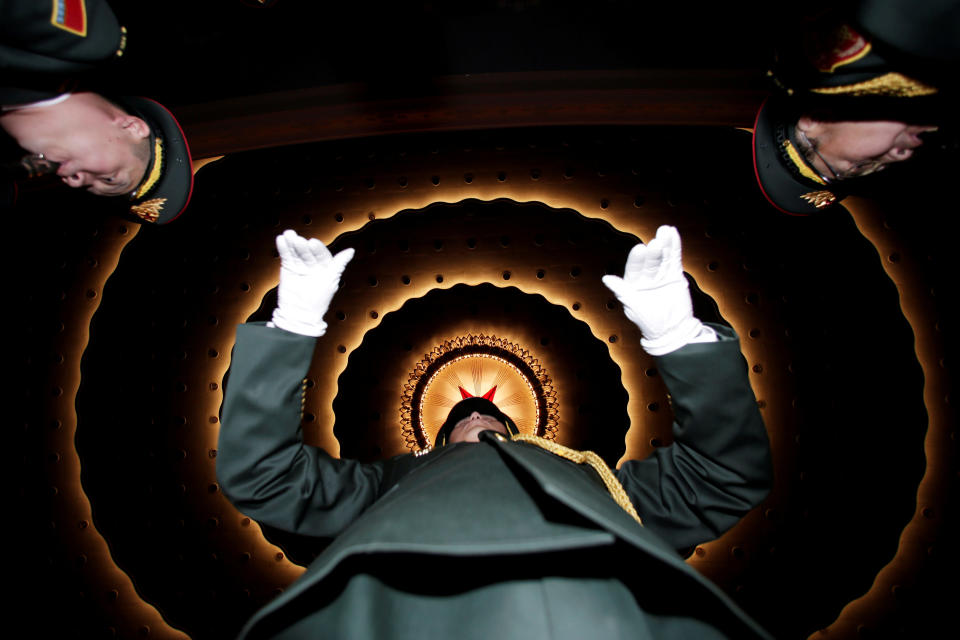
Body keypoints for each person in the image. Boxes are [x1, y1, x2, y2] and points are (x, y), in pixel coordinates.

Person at [217, 226, 774, 639]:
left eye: (487, 417)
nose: (476, 415)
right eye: (463, 417)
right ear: (428, 447)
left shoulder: (600, 483)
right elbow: (266, 477)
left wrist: (676, 333)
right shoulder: (385, 484)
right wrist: (294, 324)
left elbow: (724, 476)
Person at [752, 0, 958, 215]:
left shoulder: (899, 22)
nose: (902, 155)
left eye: (856, 165)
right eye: (878, 166)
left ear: (816, 119)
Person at [0, 0, 192, 222]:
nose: (73, 181)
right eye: (110, 178)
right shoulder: (79, 42)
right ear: (131, 127)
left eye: (87, 187)